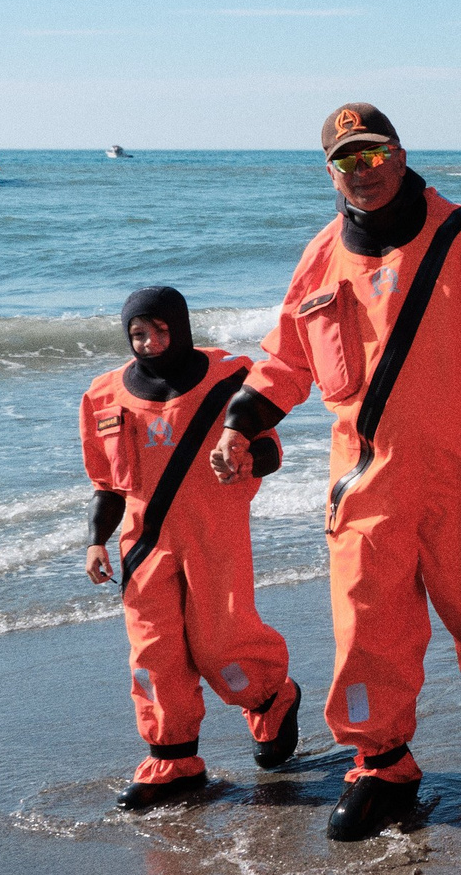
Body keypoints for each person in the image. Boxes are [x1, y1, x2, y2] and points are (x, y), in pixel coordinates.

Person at [210, 103, 461, 842]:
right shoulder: (320, 256)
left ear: (399, 154)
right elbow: (285, 362)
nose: (361, 173)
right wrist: (240, 424)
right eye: (345, 161)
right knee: (368, 629)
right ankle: (381, 760)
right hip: (365, 487)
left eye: (372, 156)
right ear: (328, 171)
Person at [81, 286, 300, 810]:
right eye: (138, 333)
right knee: (154, 651)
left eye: (160, 330)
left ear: (181, 328)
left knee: (219, 643)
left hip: (214, 534)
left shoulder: (230, 379)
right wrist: (95, 543)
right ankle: (172, 757)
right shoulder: (103, 396)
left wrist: (245, 461)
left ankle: (270, 698)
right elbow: (107, 487)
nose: (150, 342)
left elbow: (268, 450)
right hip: (144, 547)